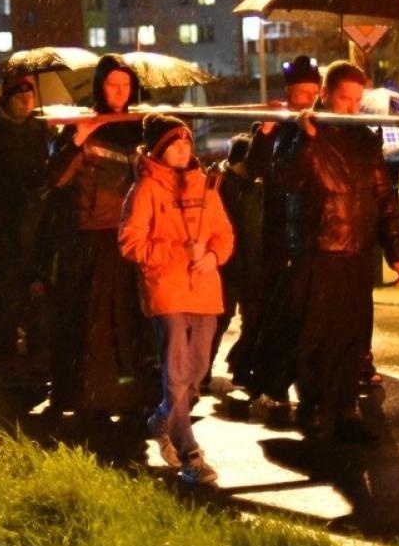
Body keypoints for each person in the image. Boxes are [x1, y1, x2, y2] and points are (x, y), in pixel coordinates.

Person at [276, 60, 399, 443]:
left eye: (356, 99)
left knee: (353, 335)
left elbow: (383, 196)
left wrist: (395, 250)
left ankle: (347, 407)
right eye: (343, 98)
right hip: (317, 250)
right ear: (325, 94)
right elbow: (286, 179)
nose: (351, 107)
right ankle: (314, 405)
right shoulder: (300, 130)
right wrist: (305, 138)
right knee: (314, 334)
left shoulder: (366, 140)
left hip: (357, 252)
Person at [119, 114, 234, 486]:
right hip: (166, 289)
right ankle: (190, 453)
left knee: (197, 370)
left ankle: (161, 419)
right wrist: (179, 252)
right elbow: (131, 243)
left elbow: (223, 233)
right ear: (159, 150)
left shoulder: (206, 186)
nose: (184, 149)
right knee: (177, 370)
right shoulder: (145, 189)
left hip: (204, 289)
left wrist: (213, 256)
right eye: (175, 144)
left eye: (187, 142)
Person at [46, 54, 149, 416]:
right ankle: (87, 394)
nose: (119, 91)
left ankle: (128, 392)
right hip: (90, 237)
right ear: (100, 86)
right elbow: (55, 179)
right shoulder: (80, 123)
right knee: (90, 318)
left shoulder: (140, 127)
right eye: (112, 84)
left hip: (129, 235)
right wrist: (78, 140)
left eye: (125, 85)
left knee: (129, 318)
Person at [231, 55, 320, 411]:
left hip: (315, 229)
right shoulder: (274, 128)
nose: (308, 100)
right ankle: (268, 376)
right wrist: (266, 131)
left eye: (314, 92)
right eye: (301, 93)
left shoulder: (325, 124)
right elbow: (254, 170)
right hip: (279, 231)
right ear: (289, 93)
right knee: (275, 308)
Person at [0, 72, 52, 381]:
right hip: (4, 230)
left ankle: (38, 361)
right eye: (20, 96)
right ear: (6, 100)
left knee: (39, 299)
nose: (27, 101)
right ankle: (4, 361)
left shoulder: (42, 133)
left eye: (30, 96)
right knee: (5, 298)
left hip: (39, 227)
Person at [213, 133, 263, 390]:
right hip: (226, 264)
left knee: (253, 319)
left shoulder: (254, 185)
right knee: (220, 319)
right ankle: (202, 373)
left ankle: (242, 369)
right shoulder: (220, 185)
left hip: (252, 263)